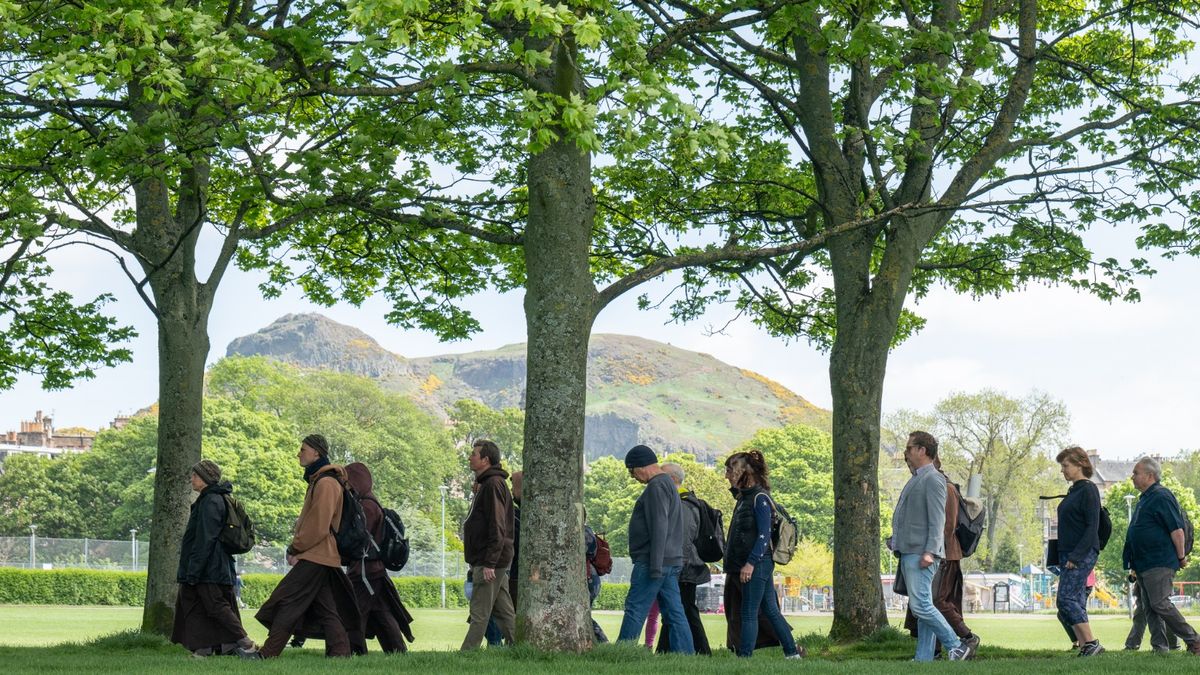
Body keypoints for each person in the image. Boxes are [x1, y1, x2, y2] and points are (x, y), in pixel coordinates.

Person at [255, 434, 363, 658]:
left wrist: (295, 547)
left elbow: (318, 525)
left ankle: (268, 653)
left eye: (303, 449)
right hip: (321, 555)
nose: (299, 453)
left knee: (288, 602)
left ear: (316, 452)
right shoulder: (321, 480)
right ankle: (340, 654)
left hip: (317, 554)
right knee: (327, 608)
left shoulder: (326, 483)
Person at [890, 431, 976, 662]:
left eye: (909, 448)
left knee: (920, 606)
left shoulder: (933, 479)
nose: (906, 453)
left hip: (921, 553)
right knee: (924, 605)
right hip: (912, 550)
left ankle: (957, 646)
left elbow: (938, 520)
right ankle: (924, 657)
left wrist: (930, 551)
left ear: (922, 450)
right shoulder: (919, 477)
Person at [170, 460, 257, 658]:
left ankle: (246, 643)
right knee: (198, 605)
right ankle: (204, 649)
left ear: (205, 478)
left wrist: (193, 571)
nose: (191, 479)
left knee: (216, 607)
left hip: (209, 568)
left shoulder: (211, 502)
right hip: (212, 565)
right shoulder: (210, 499)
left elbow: (205, 539)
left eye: (195, 476)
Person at [722, 450, 802, 659]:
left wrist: (750, 564)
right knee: (770, 610)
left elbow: (763, 536)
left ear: (743, 471)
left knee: (749, 612)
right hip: (755, 563)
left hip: (758, 563)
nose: (726, 475)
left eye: (730, 470)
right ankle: (792, 653)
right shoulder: (745, 498)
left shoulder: (760, 499)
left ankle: (745, 658)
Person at [616, 444, 695, 654]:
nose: (633, 477)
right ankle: (686, 655)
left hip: (654, 560)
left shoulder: (656, 487)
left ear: (641, 466)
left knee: (635, 608)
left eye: (631, 471)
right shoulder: (669, 485)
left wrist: (655, 565)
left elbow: (659, 526)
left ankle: (622, 653)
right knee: (674, 612)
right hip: (671, 560)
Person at [1123, 456, 1200, 655]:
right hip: (1144, 562)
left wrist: (1181, 557)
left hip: (1158, 561)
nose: (1132, 477)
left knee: (1160, 603)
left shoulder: (1162, 495)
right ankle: (1160, 648)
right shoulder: (1146, 499)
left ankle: (1194, 640)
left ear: (1149, 475)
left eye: (1136, 473)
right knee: (1149, 608)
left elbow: (1177, 530)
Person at [344, 462, 415, 654]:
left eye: (347, 480)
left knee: (354, 612)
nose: (345, 485)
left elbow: (358, 538)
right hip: (372, 569)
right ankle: (397, 651)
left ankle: (355, 651)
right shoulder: (368, 502)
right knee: (381, 612)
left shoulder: (365, 506)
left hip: (364, 571)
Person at [460, 439, 516, 650]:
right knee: (503, 610)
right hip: (494, 558)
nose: (470, 457)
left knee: (479, 611)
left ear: (486, 459)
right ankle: (519, 649)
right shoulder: (490, 484)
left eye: (474, 454)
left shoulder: (492, 485)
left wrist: (489, 563)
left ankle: (467, 654)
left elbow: (497, 526)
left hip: (489, 559)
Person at [1051, 446, 1103, 656]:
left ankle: (1091, 643)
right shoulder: (1075, 490)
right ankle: (1084, 645)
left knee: (1066, 599)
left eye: (1065, 466)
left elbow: (1093, 527)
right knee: (1072, 601)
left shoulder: (1089, 489)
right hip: (1068, 553)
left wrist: (1076, 556)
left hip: (1080, 553)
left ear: (1080, 463)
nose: (1062, 470)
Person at [656, 462, 712, 655]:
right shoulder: (681, 503)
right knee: (678, 610)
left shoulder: (684, 506)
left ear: (672, 480)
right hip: (685, 566)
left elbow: (684, 540)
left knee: (684, 610)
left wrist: (677, 567)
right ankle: (666, 650)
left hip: (684, 568)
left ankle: (702, 651)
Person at [1125, 578, 1178, 651]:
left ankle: (1132, 645)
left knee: (1164, 614)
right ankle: (1132, 645)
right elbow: (1132, 577)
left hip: (1158, 583)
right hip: (1145, 585)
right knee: (1141, 616)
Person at [584, 520, 608, 643]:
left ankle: (603, 641)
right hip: (591, 579)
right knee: (585, 615)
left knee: (585, 616)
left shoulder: (585, 531)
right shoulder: (587, 531)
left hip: (589, 580)